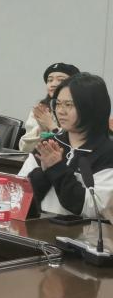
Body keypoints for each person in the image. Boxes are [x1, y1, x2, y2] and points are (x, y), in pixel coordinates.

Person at [18, 73, 113, 217]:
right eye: (57, 104)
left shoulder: (106, 153)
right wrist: (44, 172)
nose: (60, 111)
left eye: (68, 105)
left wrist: (56, 168)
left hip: (84, 231)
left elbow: (93, 208)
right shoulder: (49, 144)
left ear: (92, 107)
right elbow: (18, 193)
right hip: (38, 227)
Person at [19, 62, 81, 153]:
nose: (53, 84)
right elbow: (24, 149)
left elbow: (75, 149)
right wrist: (41, 130)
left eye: (61, 80)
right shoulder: (42, 108)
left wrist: (51, 126)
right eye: (50, 80)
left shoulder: (80, 109)